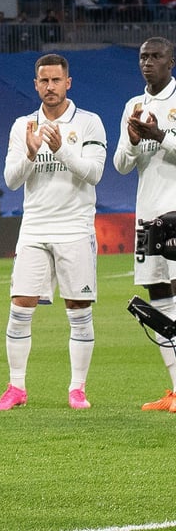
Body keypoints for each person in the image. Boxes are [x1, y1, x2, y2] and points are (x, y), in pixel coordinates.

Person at [0, 53, 105, 412]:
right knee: (20, 306)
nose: (50, 86)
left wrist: (60, 149)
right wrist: (30, 153)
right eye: (44, 80)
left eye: (56, 80)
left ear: (68, 83)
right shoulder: (23, 125)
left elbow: (94, 173)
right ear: (36, 84)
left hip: (75, 228)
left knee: (78, 308)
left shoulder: (89, 123)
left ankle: (77, 389)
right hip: (34, 228)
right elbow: (11, 181)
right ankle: (16, 387)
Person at [113, 37, 176, 411]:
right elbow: (121, 165)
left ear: (171, 61)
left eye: (156, 56)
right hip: (147, 215)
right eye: (143, 57)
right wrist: (135, 141)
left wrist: (160, 136)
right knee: (158, 299)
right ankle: (175, 389)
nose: (148, 62)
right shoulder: (133, 106)